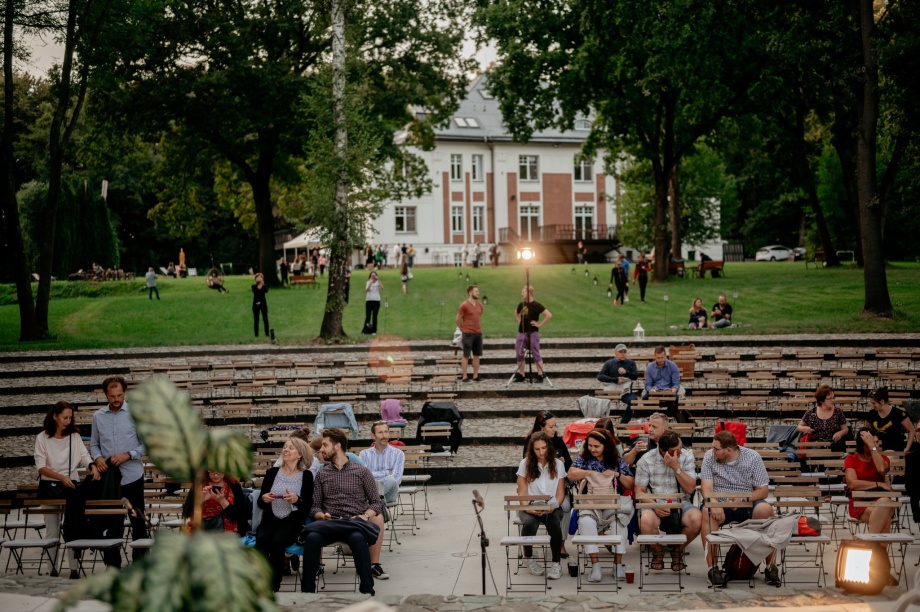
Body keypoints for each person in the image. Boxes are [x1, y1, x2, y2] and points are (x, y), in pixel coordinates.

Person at [302, 428, 385, 595]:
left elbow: (377, 503)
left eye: (325, 445)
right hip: (329, 523)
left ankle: (367, 591)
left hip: (353, 523)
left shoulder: (361, 472)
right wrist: (321, 515)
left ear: (337, 446)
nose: (321, 449)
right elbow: (315, 507)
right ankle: (307, 593)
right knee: (312, 538)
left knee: (358, 539)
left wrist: (364, 516)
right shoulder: (322, 475)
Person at [700, 430, 777, 587]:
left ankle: (771, 566)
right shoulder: (709, 457)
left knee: (766, 510)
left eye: (716, 449)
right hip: (720, 501)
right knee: (707, 512)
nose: (712, 451)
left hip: (746, 501)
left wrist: (743, 498)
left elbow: (762, 490)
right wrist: (715, 504)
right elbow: (706, 490)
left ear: (728, 450)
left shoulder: (752, 457)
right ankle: (712, 568)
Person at [34, 401, 100, 578]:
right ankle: (51, 568)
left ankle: (73, 568)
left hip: (71, 486)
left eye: (70, 418)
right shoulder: (42, 438)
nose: (68, 421)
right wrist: (60, 477)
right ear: (55, 416)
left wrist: (92, 465)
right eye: (65, 417)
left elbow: (84, 456)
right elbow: (41, 467)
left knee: (73, 525)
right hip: (51, 486)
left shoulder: (74, 437)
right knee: (52, 529)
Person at [90, 376, 148, 567]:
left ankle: (140, 565)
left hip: (132, 477)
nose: (116, 399)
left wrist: (128, 455)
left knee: (137, 522)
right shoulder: (98, 417)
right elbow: (94, 444)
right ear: (105, 394)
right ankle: (113, 565)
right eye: (112, 396)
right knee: (111, 523)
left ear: (125, 392)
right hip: (110, 481)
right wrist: (97, 458)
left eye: (120, 395)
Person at [568, 429, 634, 582]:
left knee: (620, 523)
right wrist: (588, 472)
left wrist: (617, 474)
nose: (592, 449)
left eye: (596, 446)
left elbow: (631, 484)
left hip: (612, 505)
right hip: (591, 504)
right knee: (585, 522)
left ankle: (618, 564)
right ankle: (595, 565)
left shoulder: (617, 461)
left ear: (606, 446)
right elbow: (571, 474)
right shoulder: (584, 459)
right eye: (590, 445)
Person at [634, 430, 701, 572]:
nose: (680, 452)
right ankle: (658, 551)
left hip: (681, 502)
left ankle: (677, 550)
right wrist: (656, 505)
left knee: (697, 519)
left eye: (680, 447)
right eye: (676, 450)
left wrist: (676, 467)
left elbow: (690, 489)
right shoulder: (646, 460)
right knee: (644, 521)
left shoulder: (686, 456)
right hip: (654, 503)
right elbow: (639, 492)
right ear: (664, 451)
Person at [256, 437, 313, 592]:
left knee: (277, 542)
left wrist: (296, 500)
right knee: (261, 539)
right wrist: (264, 498)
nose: (286, 450)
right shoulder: (272, 472)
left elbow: (307, 506)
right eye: (285, 447)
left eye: (291, 448)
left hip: (292, 521)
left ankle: (274, 585)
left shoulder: (306, 476)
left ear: (300, 454)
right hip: (270, 519)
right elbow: (260, 503)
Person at [517, 431, 567, 581]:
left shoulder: (558, 464)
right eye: (537, 449)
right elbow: (522, 491)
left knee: (553, 523)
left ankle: (556, 563)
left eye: (544, 448)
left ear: (549, 447)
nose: (541, 452)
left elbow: (560, 494)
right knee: (529, 523)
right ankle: (528, 557)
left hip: (552, 505)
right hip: (531, 504)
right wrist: (527, 507)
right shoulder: (525, 464)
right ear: (532, 450)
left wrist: (552, 506)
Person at [845, 428, 895, 534]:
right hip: (860, 502)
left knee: (885, 502)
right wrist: (878, 484)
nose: (876, 445)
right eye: (872, 442)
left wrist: (872, 447)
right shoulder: (851, 459)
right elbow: (853, 484)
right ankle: (875, 549)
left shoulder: (883, 458)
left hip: (881, 499)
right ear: (862, 444)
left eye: (876, 442)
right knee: (884, 520)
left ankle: (868, 545)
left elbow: (882, 470)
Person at [185, 470, 249, 535]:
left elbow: (239, 516)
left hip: (228, 533)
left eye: (219, 471)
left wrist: (223, 501)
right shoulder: (199, 485)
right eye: (212, 471)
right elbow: (186, 512)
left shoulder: (234, 485)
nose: (215, 475)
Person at [359, 421, 404, 505]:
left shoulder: (398, 453)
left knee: (391, 479)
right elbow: (363, 478)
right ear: (373, 436)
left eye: (386, 432)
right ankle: (377, 503)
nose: (384, 436)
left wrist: (373, 476)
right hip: (370, 490)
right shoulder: (364, 454)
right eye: (380, 432)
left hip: (389, 493)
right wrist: (386, 472)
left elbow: (396, 478)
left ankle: (373, 501)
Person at [513, 285, 552, 383]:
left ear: (529, 293)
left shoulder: (537, 305)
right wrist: (519, 322)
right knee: (519, 354)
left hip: (533, 333)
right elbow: (516, 313)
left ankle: (540, 375)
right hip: (521, 333)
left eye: (523, 292)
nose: (521, 294)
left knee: (535, 354)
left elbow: (548, 315)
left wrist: (539, 325)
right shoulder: (521, 304)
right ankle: (521, 374)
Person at [797, 385, 849, 453]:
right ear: (821, 400)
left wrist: (840, 433)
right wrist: (804, 429)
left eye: (833, 398)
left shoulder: (838, 412)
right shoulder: (811, 412)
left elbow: (845, 429)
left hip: (833, 446)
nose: (832, 401)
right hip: (815, 447)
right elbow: (799, 427)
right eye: (829, 399)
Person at [596, 343, 639, 423]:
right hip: (610, 391)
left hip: (625, 392)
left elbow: (635, 376)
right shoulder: (609, 363)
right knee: (598, 400)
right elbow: (600, 376)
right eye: (620, 352)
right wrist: (615, 379)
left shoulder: (631, 363)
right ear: (615, 353)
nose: (623, 354)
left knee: (633, 401)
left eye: (624, 352)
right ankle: (601, 422)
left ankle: (624, 423)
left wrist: (626, 372)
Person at [866, 387, 915, 453]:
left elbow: (911, 430)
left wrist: (907, 448)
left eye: (874, 403)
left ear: (882, 401)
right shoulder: (871, 414)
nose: (872, 405)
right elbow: (865, 431)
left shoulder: (898, 413)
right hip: (876, 449)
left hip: (894, 448)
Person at [456, 284, 484, 382]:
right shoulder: (464, 305)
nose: (478, 293)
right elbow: (458, 319)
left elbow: (479, 315)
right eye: (476, 291)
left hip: (478, 333)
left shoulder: (480, 305)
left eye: (478, 291)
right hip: (468, 333)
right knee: (466, 355)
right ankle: (464, 376)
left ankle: (475, 376)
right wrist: (462, 328)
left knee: (477, 355)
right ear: (470, 292)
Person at [252, 273, 270, 338]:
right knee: (256, 319)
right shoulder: (253, 286)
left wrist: (262, 284)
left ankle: (267, 333)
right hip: (256, 304)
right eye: (258, 277)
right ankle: (256, 334)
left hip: (263, 304)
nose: (259, 279)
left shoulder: (264, 287)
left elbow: (266, 291)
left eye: (260, 277)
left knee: (265, 319)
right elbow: (255, 293)